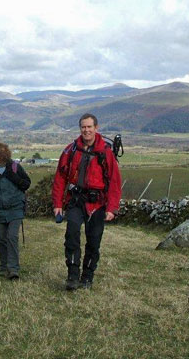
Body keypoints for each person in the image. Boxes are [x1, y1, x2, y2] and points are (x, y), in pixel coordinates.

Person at [52, 113, 122, 290]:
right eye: (83, 127)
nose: (86, 130)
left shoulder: (105, 152)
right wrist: (58, 204)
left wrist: (112, 208)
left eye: (89, 127)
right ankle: (73, 276)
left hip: (98, 204)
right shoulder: (71, 150)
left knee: (94, 241)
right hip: (76, 200)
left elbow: (114, 181)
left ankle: (87, 277)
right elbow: (60, 177)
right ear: (80, 128)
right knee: (72, 234)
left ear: (96, 128)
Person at [0, 143, 31, 280]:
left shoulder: (15, 167)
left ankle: (13, 269)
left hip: (16, 208)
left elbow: (27, 183)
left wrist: (13, 177)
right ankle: (4, 267)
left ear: (1, 156)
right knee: (2, 239)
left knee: (12, 237)